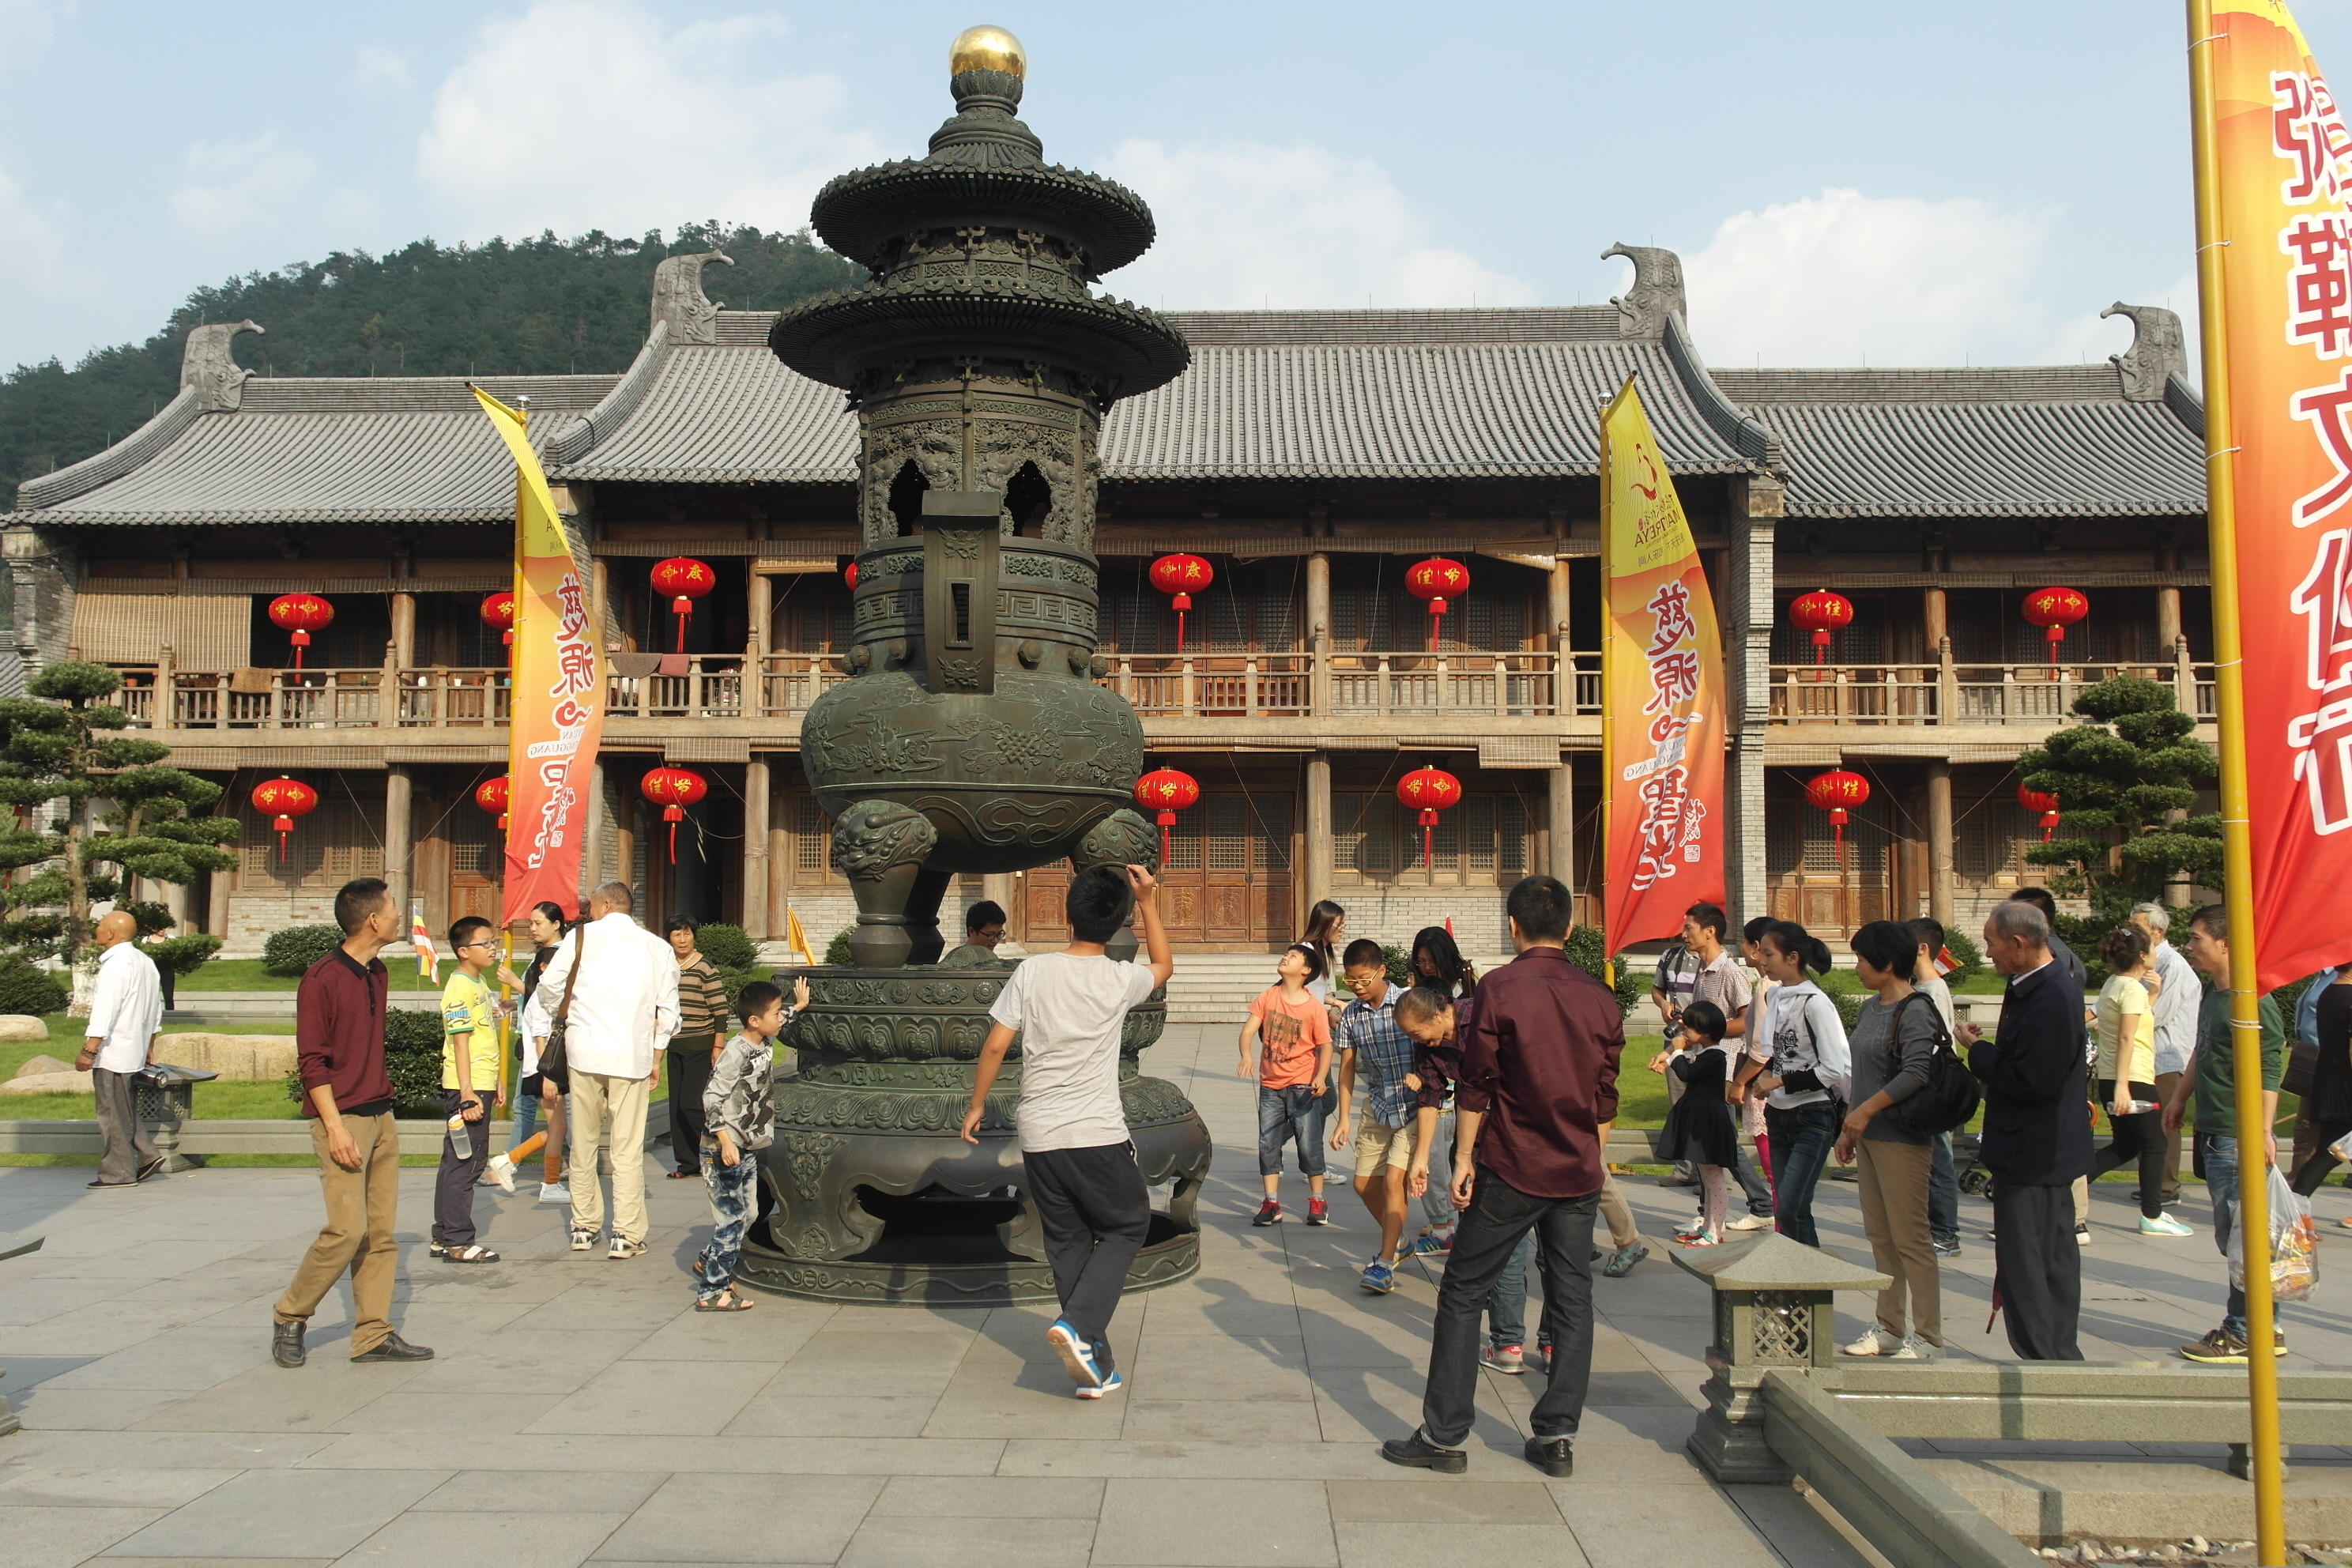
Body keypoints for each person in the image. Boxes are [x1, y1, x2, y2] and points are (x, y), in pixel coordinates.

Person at [1382, 874, 1619, 1480]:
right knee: (1572, 1298)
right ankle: (1557, 1434)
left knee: (1463, 1291)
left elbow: (1478, 1082)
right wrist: (1591, 1162)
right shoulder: (1599, 996)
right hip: (1576, 1169)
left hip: (1514, 1163)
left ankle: (1445, 1434)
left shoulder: (1500, 987)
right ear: (1568, 927)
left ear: (1513, 927)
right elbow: (1605, 1096)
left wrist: (1463, 1160)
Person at [960, 863, 1174, 1400]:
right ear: (1120, 920)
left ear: (1066, 913)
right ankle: (1079, 1326)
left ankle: (1095, 1365)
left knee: (1069, 1239)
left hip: (1039, 1132)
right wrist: (1148, 900)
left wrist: (977, 1105)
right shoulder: (1120, 977)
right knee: (1127, 1226)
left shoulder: (1032, 972)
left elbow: (994, 1045)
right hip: (1094, 1129)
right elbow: (1165, 964)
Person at [271, 877, 433, 1368]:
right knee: (346, 1230)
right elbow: (312, 1062)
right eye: (393, 908)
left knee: (380, 1234)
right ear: (372, 920)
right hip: (342, 1119)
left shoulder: (377, 973)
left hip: (380, 1114)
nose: (400, 916)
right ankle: (290, 1313)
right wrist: (336, 1127)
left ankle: (372, 1334)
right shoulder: (322, 978)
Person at [522, 880, 680, 1261]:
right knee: (626, 1150)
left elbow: (548, 988)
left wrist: (566, 1012)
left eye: (590, 905)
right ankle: (625, 1234)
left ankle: (583, 1226)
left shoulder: (579, 939)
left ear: (607, 904)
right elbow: (669, 1012)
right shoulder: (657, 948)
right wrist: (657, 1058)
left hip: (584, 1053)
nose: (586, 911)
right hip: (632, 1056)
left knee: (585, 1143)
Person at [1964, 898, 2090, 1361]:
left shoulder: (2053, 996)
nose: (1988, 953)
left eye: (1992, 944)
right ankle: (2055, 1350)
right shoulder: (2038, 986)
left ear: (2018, 943)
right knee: (2048, 1258)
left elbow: (2032, 1080)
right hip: (2040, 1147)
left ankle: (2046, 1355)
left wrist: (1979, 1054)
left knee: (2030, 1262)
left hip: (2037, 1149)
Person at [2162, 903, 2288, 1363]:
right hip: (2214, 1130)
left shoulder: (2252, 1000)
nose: (2189, 947)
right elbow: (2204, 1046)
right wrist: (2180, 1099)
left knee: (2245, 1238)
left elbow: (2269, 1065)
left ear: (2226, 943)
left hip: (2238, 1136)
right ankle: (2262, 1326)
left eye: (2196, 939)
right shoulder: (2214, 995)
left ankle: (2244, 1329)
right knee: (2234, 1237)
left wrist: (2263, 1130)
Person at [1834, 920, 1945, 1359]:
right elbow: (1860, 1073)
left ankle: (1929, 1335)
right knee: (1880, 1235)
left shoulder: (1915, 1009)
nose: (1857, 965)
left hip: (1902, 1137)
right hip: (1867, 1134)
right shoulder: (1869, 1008)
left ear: (1887, 962)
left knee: (1910, 1237)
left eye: (1862, 958)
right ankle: (1889, 1326)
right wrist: (1850, 1126)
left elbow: (1916, 1073)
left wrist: (1865, 1112)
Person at [1649, 904, 1771, 1228]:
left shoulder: (1729, 972)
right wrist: (1679, 1046)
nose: (1683, 934)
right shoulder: (1701, 971)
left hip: (1722, 1067)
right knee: (1706, 1145)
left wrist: (1704, 1035)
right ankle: (1709, 1215)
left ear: (1710, 931)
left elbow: (1746, 1022)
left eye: (1689, 928)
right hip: (1700, 1063)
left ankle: (1760, 1205)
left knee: (1723, 1145)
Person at [693, 975, 808, 1311]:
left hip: (746, 1147)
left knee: (749, 1213)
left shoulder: (763, 1038)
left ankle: (710, 1259)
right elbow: (711, 1097)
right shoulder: (736, 1052)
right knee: (731, 1219)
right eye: (775, 1013)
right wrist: (725, 1140)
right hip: (723, 1148)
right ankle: (712, 1292)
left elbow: (780, 1018)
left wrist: (798, 1007)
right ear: (755, 1021)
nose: (780, 1018)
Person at [1751, 920, 1849, 1247]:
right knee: (1788, 1209)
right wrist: (1766, 1077)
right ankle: (1798, 1285)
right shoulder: (1777, 996)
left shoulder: (1816, 1003)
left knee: (1792, 1205)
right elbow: (1777, 1052)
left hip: (1813, 1115)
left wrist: (1777, 1080)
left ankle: (1809, 1282)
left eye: (1768, 954)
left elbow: (1833, 1069)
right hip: (1778, 1114)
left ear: (1792, 957)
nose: (1761, 960)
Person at [2089, 925, 2192, 1235]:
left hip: (2117, 1076)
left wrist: (2154, 994)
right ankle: (2152, 1214)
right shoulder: (2131, 990)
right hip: (2132, 1079)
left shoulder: (2116, 983)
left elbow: (2132, 1020)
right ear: (2144, 955)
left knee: (2127, 1144)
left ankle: (2072, 1182)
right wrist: (2123, 1086)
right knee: (2155, 1143)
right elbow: (2125, 1037)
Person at [1332, 938, 1415, 1292]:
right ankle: (1399, 1240)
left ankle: (1384, 1263)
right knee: (1364, 1184)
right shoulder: (1352, 1015)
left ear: (1382, 971)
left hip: (1414, 1106)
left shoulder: (1409, 1003)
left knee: (1395, 1183)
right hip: (1378, 1105)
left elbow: (1434, 1046)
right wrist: (1343, 1118)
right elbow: (1347, 1068)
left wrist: (1425, 1078)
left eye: (1364, 980)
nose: (1358, 988)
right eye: (1351, 982)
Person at [1240, 944, 1333, 1228]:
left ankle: (1318, 1201)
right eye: (1286, 954)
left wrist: (1320, 1077)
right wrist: (1246, 1054)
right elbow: (1248, 1031)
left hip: (1303, 1087)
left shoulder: (1313, 1008)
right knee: (1267, 1142)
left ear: (1305, 971)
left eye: (1292, 956)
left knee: (1308, 1145)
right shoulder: (1268, 997)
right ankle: (1271, 1203)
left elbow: (1326, 1047)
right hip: (1270, 1086)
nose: (1285, 957)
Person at [431, 916, 504, 1264]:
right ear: (463, 951)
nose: (493, 948)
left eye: (493, 942)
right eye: (485, 943)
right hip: (469, 1086)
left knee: (454, 1160)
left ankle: (443, 1234)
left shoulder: (478, 981)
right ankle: (459, 1241)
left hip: (481, 1081)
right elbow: (459, 1043)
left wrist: (498, 1079)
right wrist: (468, 1093)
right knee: (468, 1162)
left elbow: (484, 1035)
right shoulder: (459, 986)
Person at [77, 910, 164, 1189]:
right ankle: (147, 1154)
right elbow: (155, 1009)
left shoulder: (115, 965)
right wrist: (149, 1046)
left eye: (100, 925)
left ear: (111, 933)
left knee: (111, 1113)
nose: (97, 929)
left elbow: (105, 1011)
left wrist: (89, 1050)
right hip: (134, 1048)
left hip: (113, 1052)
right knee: (123, 1108)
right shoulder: (145, 961)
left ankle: (118, 1173)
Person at [491, 902, 571, 1203]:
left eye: (538, 923)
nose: (533, 928)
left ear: (557, 924)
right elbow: (540, 1016)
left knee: (559, 1125)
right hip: (546, 1059)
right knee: (557, 1124)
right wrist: (547, 1071)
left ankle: (525, 1168)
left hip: (548, 1057)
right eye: (533, 922)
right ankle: (516, 1164)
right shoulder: (550, 958)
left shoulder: (553, 956)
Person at [1404, 926, 1477, 1250]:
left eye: (1431, 962)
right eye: (1421, 962)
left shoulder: (1481, 1016)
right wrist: (1418, 1159)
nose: (1427, 968)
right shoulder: (1426, 1041)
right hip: (1470, 1114)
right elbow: (1431, 1093)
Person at [2130, 903, 2200, 1208]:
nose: (2130, 932)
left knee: (2165, 1123)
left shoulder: (2172, 965)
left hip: (2167, 1056)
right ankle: (2153, 1184)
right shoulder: (2147, 961)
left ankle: (2166, 1187)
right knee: (2148, 1122)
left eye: (2138, 928)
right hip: (2147, 1055)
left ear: (2158, 932)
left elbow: (2157, 1013)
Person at [1660, 1001, 1737, 1247]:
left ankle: (1714, 1232)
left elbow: (1686, 1074)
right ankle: (1707, 1227)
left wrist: (1677, 1051)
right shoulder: (1704, 1053)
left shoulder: (1715, 1055)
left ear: (1705, 1032)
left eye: (1690, 1028)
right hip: (1702, 1118)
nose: (1685, 1033)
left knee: (1714, 1179)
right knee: (1707, 1176)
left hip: (1709, 1121)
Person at [1907, 917, 1963, 1257]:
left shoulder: (1933, 990)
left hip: (1935, 1090)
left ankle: (1946, 1232)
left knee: (1940, 1162)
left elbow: (1934, 1047)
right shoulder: (1922, 989)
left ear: (1922, 949)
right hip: (1925, 1090)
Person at [663, 918, 728, 1181]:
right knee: (676, 1107)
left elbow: (720, 1009)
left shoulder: (704, 967)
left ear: (694, 936)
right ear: (668, 938)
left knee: (691, 1104)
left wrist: (718, 1045)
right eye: (676, 934)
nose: (682, 939)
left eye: (687, 934)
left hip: (700, 1043)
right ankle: (688, 1163)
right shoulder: (666, 967)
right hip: (674, 1043)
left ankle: (718, 1149)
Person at [2291, 965, 2352, 1199]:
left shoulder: (2329, 993)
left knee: (2328, 1150)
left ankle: (2295, 1206)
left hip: (2329, 1081)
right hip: (2346, 1087)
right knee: (2330, 1153)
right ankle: (2294, 1207)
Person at [1732, 917, 1781, 1193]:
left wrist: (1740, 1082)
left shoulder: (1767, 987)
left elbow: (1762, 1047)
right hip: (1782, 1082)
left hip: (1766, 1082)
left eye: (1743, 941)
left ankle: (1780, 1229)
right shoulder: (1784, 984)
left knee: (1773, 1166)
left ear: (1756, 947)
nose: (1741, 947)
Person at [1650, 932, 1700, 1187]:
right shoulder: (1670, 956)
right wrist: (1664, 1005)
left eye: (1690, 927)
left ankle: (1711, 1176)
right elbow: (1657, 990)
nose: (1684, 933)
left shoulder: (1716, 963)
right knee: (1679, 1107)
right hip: (1675, 1043)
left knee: (1706, 1111)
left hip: (1705, 1047)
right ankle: (1685, 1171)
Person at [940, 900, 1010, 967]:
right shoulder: (959, 960)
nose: (995, 941)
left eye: (999, 935)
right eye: (991, 935)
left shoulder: (990, 959)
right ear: (972, 932)